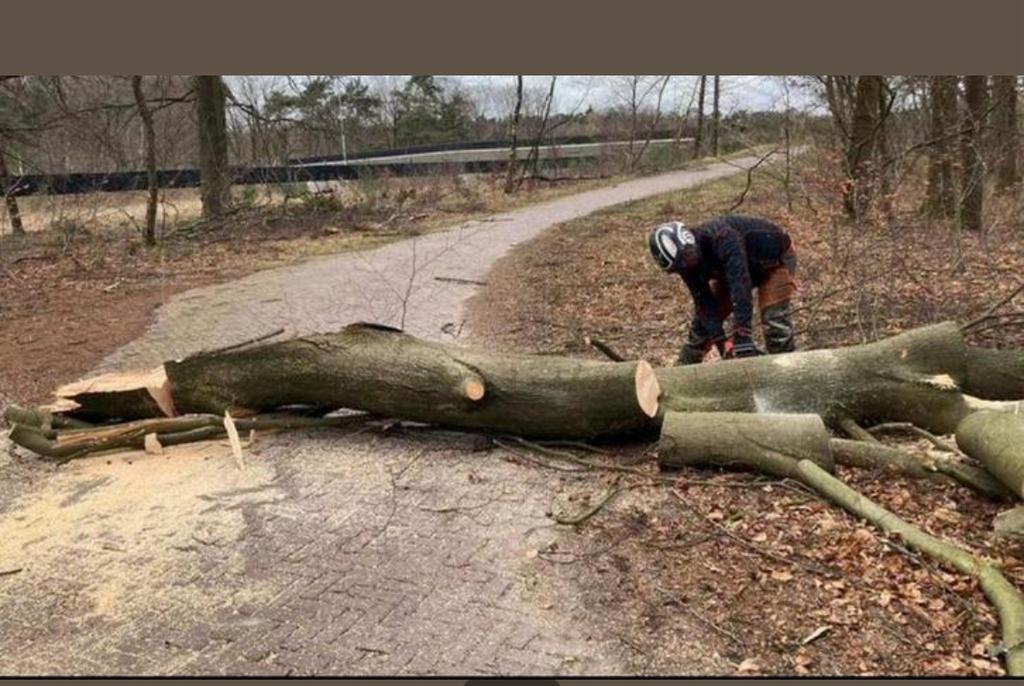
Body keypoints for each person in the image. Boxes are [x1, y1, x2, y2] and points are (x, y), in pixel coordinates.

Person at [648, 215, 797, 364]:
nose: (689, 264)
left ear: (690, 241)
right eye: (683, 264)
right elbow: (704, 302)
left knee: (774, 321)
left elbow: (740, 285)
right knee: (702, 324)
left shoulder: (722, 237)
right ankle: (684, 365)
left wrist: (742, 334)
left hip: (774, 262)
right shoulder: (685, 266)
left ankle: (788, 369)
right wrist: (721, 342)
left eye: (689, 257)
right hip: (731, 270)